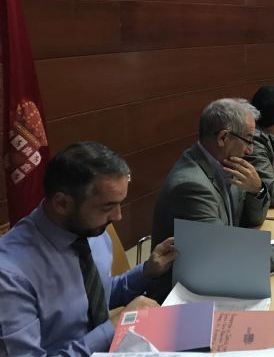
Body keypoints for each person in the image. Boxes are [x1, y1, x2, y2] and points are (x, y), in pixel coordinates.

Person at [0, 141, 178, 356]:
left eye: (119, 203)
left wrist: (147, 271)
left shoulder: (91, 232)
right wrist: (115, 327)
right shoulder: (9, 275)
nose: (118, 216)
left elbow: (96, 296)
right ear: (62, 203)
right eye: (107, 206)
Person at [149, 98, 274, 303]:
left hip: (216, 272)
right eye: (248, 139)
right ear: (223, 138)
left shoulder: (226, 164)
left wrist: (257, 190)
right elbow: (225, 256)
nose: (251, 150)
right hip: (183, 295)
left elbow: (252, 221)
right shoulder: (191, 186)